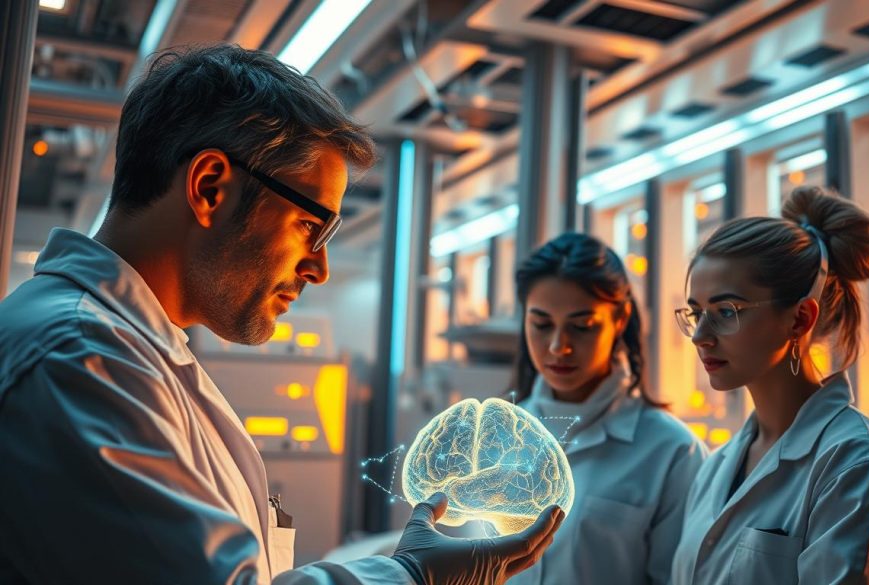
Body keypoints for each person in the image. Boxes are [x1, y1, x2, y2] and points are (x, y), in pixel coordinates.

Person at [0, 45, 562, 585]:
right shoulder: (78, 359)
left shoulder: (132, 353)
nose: (318, 268)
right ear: (210, 186)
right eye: (312, 227)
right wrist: (408, 576)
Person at [669, 186, 869, 584]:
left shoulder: (858, 466)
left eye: (726, 311)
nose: (699, 336)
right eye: (695, 313)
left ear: (799, 320)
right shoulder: (717, 466)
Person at [506, 233, 708, 585]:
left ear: (619, 319)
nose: (558, 347)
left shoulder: (672, 451)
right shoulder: (499, 435)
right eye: (541, 324)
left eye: (582, 327)